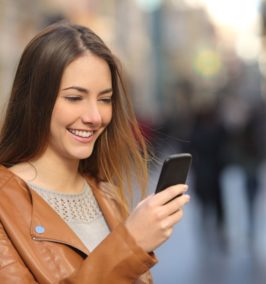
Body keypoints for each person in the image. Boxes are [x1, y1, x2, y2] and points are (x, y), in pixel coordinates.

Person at [0, 21, 190, 284]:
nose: (94, 117)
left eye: (104, 99)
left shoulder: (107, 196)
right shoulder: (5, 205)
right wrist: (130, 244)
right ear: (35, 100)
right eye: (74, 98)